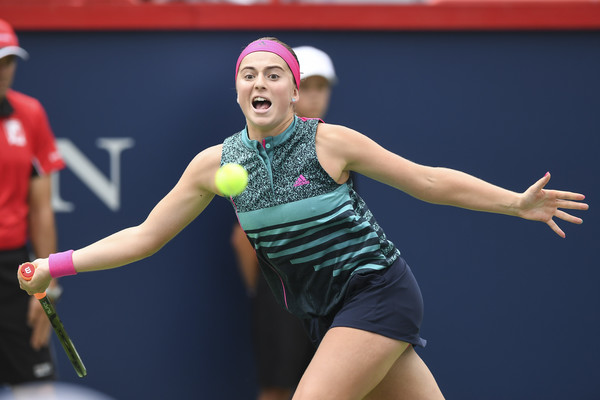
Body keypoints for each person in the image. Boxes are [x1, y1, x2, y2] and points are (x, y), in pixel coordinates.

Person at [18, 37, 588, 399]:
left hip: (377, 293)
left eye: (273, 75)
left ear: (294, 90)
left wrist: (514, 202)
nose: (260, 83)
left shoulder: (330, 143)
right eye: (249, 74)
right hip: (323, 311)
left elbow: (429, 180)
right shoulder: (215, 164)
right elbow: (144, 237)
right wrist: (53, 264)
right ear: (238, 89)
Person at [231, 45, 337, 400]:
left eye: (322, 87)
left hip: (333, 298)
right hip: (283, 300)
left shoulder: (337, 148)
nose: (315, 96)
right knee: (278, 390)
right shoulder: (247, 155)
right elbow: (242, 240)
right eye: (307, 86)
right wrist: (275, 291)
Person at [0, 19, 66, 386]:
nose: (3, 71)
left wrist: (48, 283)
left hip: (14, 271)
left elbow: (42, 208)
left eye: (8, 61)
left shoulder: (30, 114)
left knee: (37, 390)